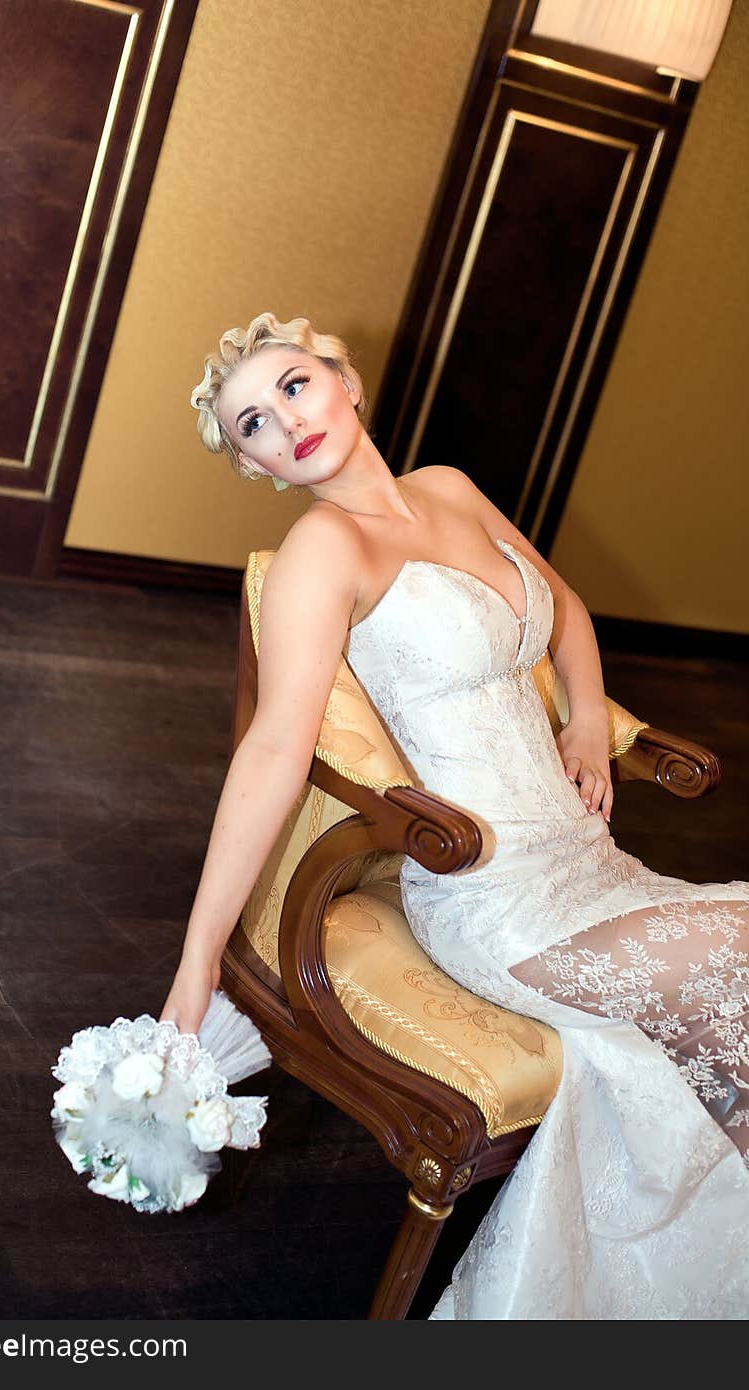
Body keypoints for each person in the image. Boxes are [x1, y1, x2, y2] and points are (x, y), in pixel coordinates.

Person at [160, 311, 749, 1319]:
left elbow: (562, 608)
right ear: (257, 467)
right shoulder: (321, 550)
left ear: (346, 382)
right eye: (253, 423)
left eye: (293, 386)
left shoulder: (446, 490)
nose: (283, 421)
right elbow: (271, 751)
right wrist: (196, 959)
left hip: (590, 863)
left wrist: (579, 727)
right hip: (491, 896)